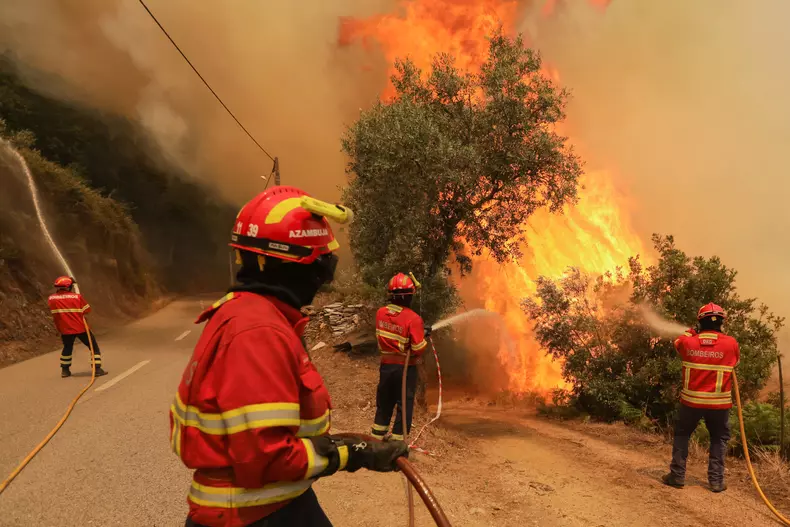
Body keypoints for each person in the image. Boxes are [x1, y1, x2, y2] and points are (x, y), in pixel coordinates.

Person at [170, 186, 409, 527]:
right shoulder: (257, 334)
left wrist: (347, 443)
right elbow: (267, 457)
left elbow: (270, 435)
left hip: (278, 501)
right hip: (253, 514)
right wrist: (352, 454)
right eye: (320, 267)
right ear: (291, 265)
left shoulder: (251, 316)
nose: (321, 280)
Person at [663, 302, 739, 493]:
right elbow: (735, 360)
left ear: (700, 322)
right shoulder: (731, 343)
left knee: (682, 434)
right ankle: (716, 481)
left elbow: (677, 343)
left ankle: (677, 476)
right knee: (718, 438)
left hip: (691, 402)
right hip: (719, 404)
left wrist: (689, 333)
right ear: (722, 322)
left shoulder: (688, 342)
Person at [371, 273, 430, 442]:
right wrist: (424, 335)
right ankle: (396, 447)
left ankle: (376, 442)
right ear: (409, 296)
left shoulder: (380, 313)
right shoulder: (413, 319)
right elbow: (418, 348)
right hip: (405, 369)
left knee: (384, 404)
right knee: (404, 406)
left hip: (386, 367)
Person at [48, 276, 107, 378]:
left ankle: (65, 371)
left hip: (65, 329)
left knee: (67, 347)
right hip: (80, 328)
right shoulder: (76, 297)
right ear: (69, 286)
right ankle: (97, 369)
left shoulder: (51, 299)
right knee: (93, 346)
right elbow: (87, 310)